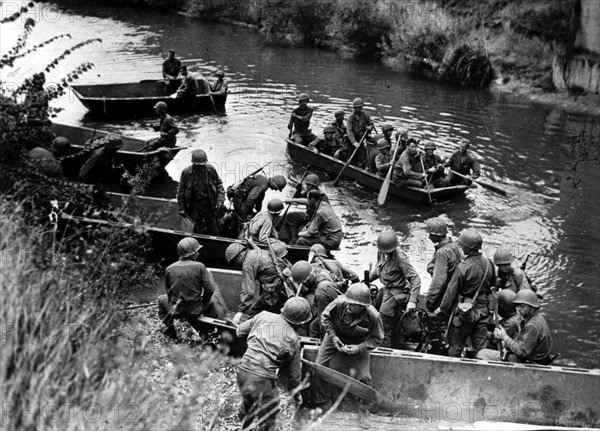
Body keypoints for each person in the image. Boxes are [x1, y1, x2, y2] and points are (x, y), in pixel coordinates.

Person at [236, 297, 310, 431]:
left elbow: (239, 331)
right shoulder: (293, 339)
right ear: (301, 322)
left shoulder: (263, 315)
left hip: (242, 371)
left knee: (248, 404)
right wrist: (296, 395)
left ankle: (244, 427)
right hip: (262, 380)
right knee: (269, 417)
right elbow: (294, 374)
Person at [309, 283, 384, 409]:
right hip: (335, 336)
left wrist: (359, 347)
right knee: (319, 367)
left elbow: (378, 339)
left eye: (353, 305)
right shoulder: (339, 303)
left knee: (365, 377)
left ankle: (364, 407)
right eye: (348, 302)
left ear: (362, 306)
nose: (348, 306)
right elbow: (325, 317)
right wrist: (333, 336)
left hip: (360, 341)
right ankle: (322, 400)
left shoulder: (373, 317)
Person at [436, 230, 496, 358]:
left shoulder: (463, 267)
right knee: (481, 348)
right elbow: (492, 286)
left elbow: (451, 292)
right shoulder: (489, 264)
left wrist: (442, 309)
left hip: (465, 311)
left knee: (456, 346)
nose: (461, 247)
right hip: (483, 311)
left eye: (463, 245)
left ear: (470, 248)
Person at [157, 237, 222, 341]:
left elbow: (168, 292)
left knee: (161, 299)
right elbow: (210, 289)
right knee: (212, 303)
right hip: (195, 309)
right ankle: (207, 332)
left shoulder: (169, 268)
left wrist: (175, 305)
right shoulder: (200, 266)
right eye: (196, 251)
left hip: (177, 310)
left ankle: (171, 331)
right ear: (191, 253)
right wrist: (203, 304)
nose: (198, 254)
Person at [369, 230, 421, 348]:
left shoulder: (401, 258)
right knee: (376, 311)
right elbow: (379, 268)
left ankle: (384, 350)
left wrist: (412, 301)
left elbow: (416, 279)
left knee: (383, 325)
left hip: (396, 293)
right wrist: (368, 280)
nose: (387, 252)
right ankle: (398, 345)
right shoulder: (381, 252)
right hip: (386, 290)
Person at [479, 290, 553, 364]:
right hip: (532, 357)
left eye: (522, 306)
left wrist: (505, 337)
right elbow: (521, 340)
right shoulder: (537, 318)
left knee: (482, 353)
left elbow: (522, 352)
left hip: (530, 362)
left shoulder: (532, 326)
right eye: (517, 306)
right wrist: (508, 349)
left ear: (532, 308)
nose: (518, 309)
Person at [226, 241, 292, 323]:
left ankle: (247, 331)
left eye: (235, 262)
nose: (237, 265)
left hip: (275, 288)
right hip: (282, 284)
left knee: (255, 311)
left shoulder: (248, 263)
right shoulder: (255, 251)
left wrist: (240, 311)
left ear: (238, 256)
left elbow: (248, 290)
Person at [177, 149, 225, 236]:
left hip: (209, 204)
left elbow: (219, 185)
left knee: (214, 230)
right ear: (193, 163)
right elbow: (181, 191)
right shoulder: (186, 173)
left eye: (202, 165)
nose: (200, 167)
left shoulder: (210, 170)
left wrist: (220, 200)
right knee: (196, 230)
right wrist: (181, 208)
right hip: (194, 206)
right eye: (198, 165)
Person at [288, 260, 341, 338]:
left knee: (316, 327)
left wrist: (323, 341)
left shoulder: (320, 293)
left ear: (308, 279)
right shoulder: (322, 273)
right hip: (335, 305)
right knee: (313, 326)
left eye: (303, 282)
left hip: (338, 315)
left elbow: (323, 321)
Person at [424, 217, 463, 313]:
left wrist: (430, 298)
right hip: (455, 291)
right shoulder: (455, 245)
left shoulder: (442, 252)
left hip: (445, 293)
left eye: (431, 235)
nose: (429, 237)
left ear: (437, 236)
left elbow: (439, 280)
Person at [280, 173, 329, 244]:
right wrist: (298, 190)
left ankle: (299, 239)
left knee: (307, 231)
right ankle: (294, 238)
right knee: (290, 217)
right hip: (309, 215)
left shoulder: (320, 195)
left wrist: (292, 200)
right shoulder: (309, 192)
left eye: (308, 185)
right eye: (306, 184)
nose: (306, 186)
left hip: (317, 219)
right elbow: (299, 197)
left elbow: (309, 202)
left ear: (314, 186)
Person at [79, 135, 124, 208]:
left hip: (101, 180)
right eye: (116, 148)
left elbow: (109, 165)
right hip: (93, 181)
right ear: (110, 148)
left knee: (100, 201)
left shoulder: (110, 153)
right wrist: (85, 187)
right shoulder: (98, 154)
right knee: (106, 204)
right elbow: (83, 172)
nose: (118, 149)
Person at [346, 97, 376, 170]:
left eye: (361, 107)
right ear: (354, 108)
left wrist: (370, 127)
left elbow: (371, 124)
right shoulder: (351, 117)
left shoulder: (364, 114)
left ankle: (361, 168)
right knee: (350, 157)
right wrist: (354, 142)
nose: (360, 109)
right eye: (358, 107)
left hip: (361, 139)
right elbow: (349, 131)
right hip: (352, 140)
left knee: (362, 157)